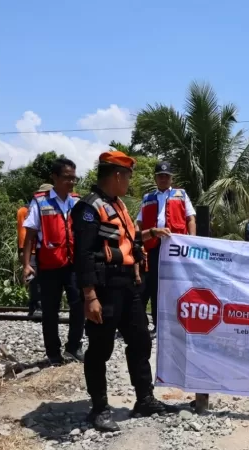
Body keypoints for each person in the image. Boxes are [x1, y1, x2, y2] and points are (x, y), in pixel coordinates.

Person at [72, 151, 177, 432]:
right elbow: (82, 256)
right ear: (117, 175)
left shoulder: (117, 204)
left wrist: (151, 233)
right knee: (100, 349)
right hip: (104, 289)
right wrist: (90, 296)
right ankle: (99, 408)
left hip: (128, 286)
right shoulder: (89, 208)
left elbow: (128, 240)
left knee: (141, 341)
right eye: (128, 176)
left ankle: (144, 399)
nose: (130, 181)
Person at [22, 163, 84, 365]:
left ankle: (74, 347)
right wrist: (26, 264)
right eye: (67, 177)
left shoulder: (76, 201)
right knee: (50, 311)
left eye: (74, 177)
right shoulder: (40, 202)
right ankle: (53, 353)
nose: (71, 182)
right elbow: (30, 235)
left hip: (73, 263)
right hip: (49, 265)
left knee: (79, 306)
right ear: (55, 178)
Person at [136, 161, 196, 331]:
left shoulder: (181, 194)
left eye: (166, 176)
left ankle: (177, 323)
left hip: (176, 248)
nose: (163, 179)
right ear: (155, 178)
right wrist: (138, 242)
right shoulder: (147, 198)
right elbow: (139, 222)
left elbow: (191, 219)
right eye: (160, 176)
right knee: (155, 287)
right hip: (154, 248)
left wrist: (191, 242)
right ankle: (158, 325)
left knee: (177, 285)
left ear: (171, 178)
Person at [17, 185, 50, 317]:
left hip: (46, 251)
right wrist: (23, 253)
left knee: (46, 281)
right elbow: (23, 235)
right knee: (34, 281)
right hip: (32, 252)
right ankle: (35, 306)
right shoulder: (25, 211)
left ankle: (43, 307)